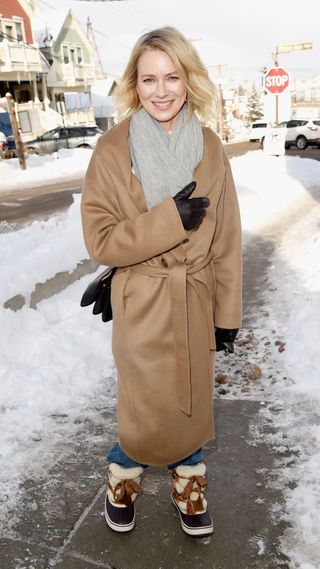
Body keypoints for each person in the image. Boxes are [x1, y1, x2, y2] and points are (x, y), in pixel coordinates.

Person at [81, 26, 242, 538]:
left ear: (188, 80)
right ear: (134, 84)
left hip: (193, 298)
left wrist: (226, 316)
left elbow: (228, 240)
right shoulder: (112, 150)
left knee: (189, 404)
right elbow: (101, 239)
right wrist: (168, 220)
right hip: (143, 301)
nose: (162, 90)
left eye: (172, 76)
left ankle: (188, 487)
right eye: (148, 79)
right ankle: (122, 480)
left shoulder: (211, 147)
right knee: (144, 412)